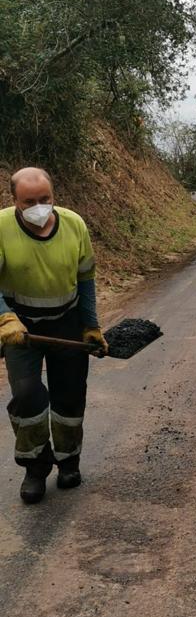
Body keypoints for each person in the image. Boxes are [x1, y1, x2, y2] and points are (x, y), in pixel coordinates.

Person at [0, 168, 107, 504]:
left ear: (54, 195)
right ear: (14, 201)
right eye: (29, 201)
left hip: (67, 322)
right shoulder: (1, 227)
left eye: (45, 199)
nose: (39, 206)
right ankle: (35, 467)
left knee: (70, 397)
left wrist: (91, 325)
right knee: (28, 396)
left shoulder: (74, 224)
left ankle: (68, 461)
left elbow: (86, 278)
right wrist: (5, 317)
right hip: (22, 330)